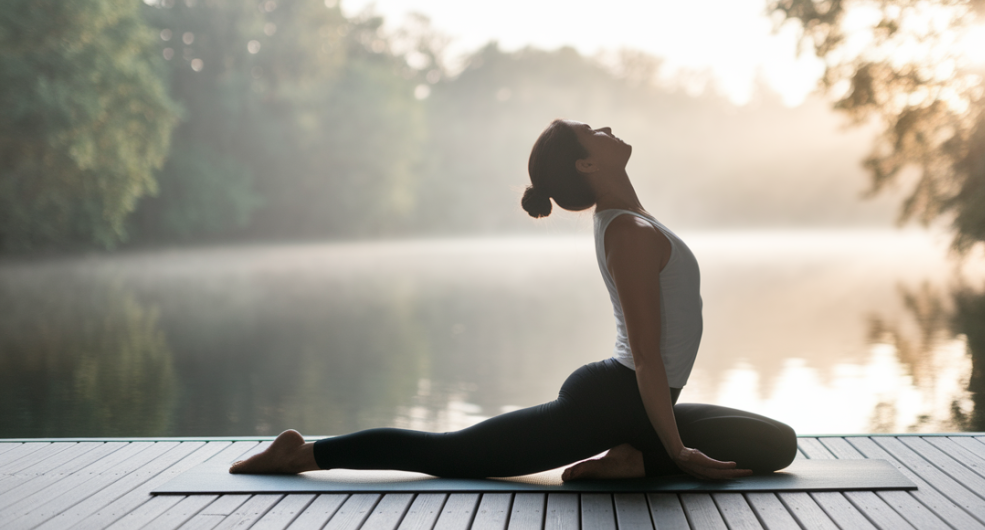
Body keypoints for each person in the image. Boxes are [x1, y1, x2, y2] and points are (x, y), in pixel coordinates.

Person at [230, 120, 797, 479]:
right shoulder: (628, 233)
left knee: (777, 443)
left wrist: (664, 445)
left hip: (635, 400)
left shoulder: (630, 222)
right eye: (590, 131)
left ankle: (630, 455)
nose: (604, 127)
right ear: (586, 164)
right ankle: (302, 453)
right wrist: (677, 453)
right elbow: (647, 357)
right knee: (453, 456)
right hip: (613, 398)